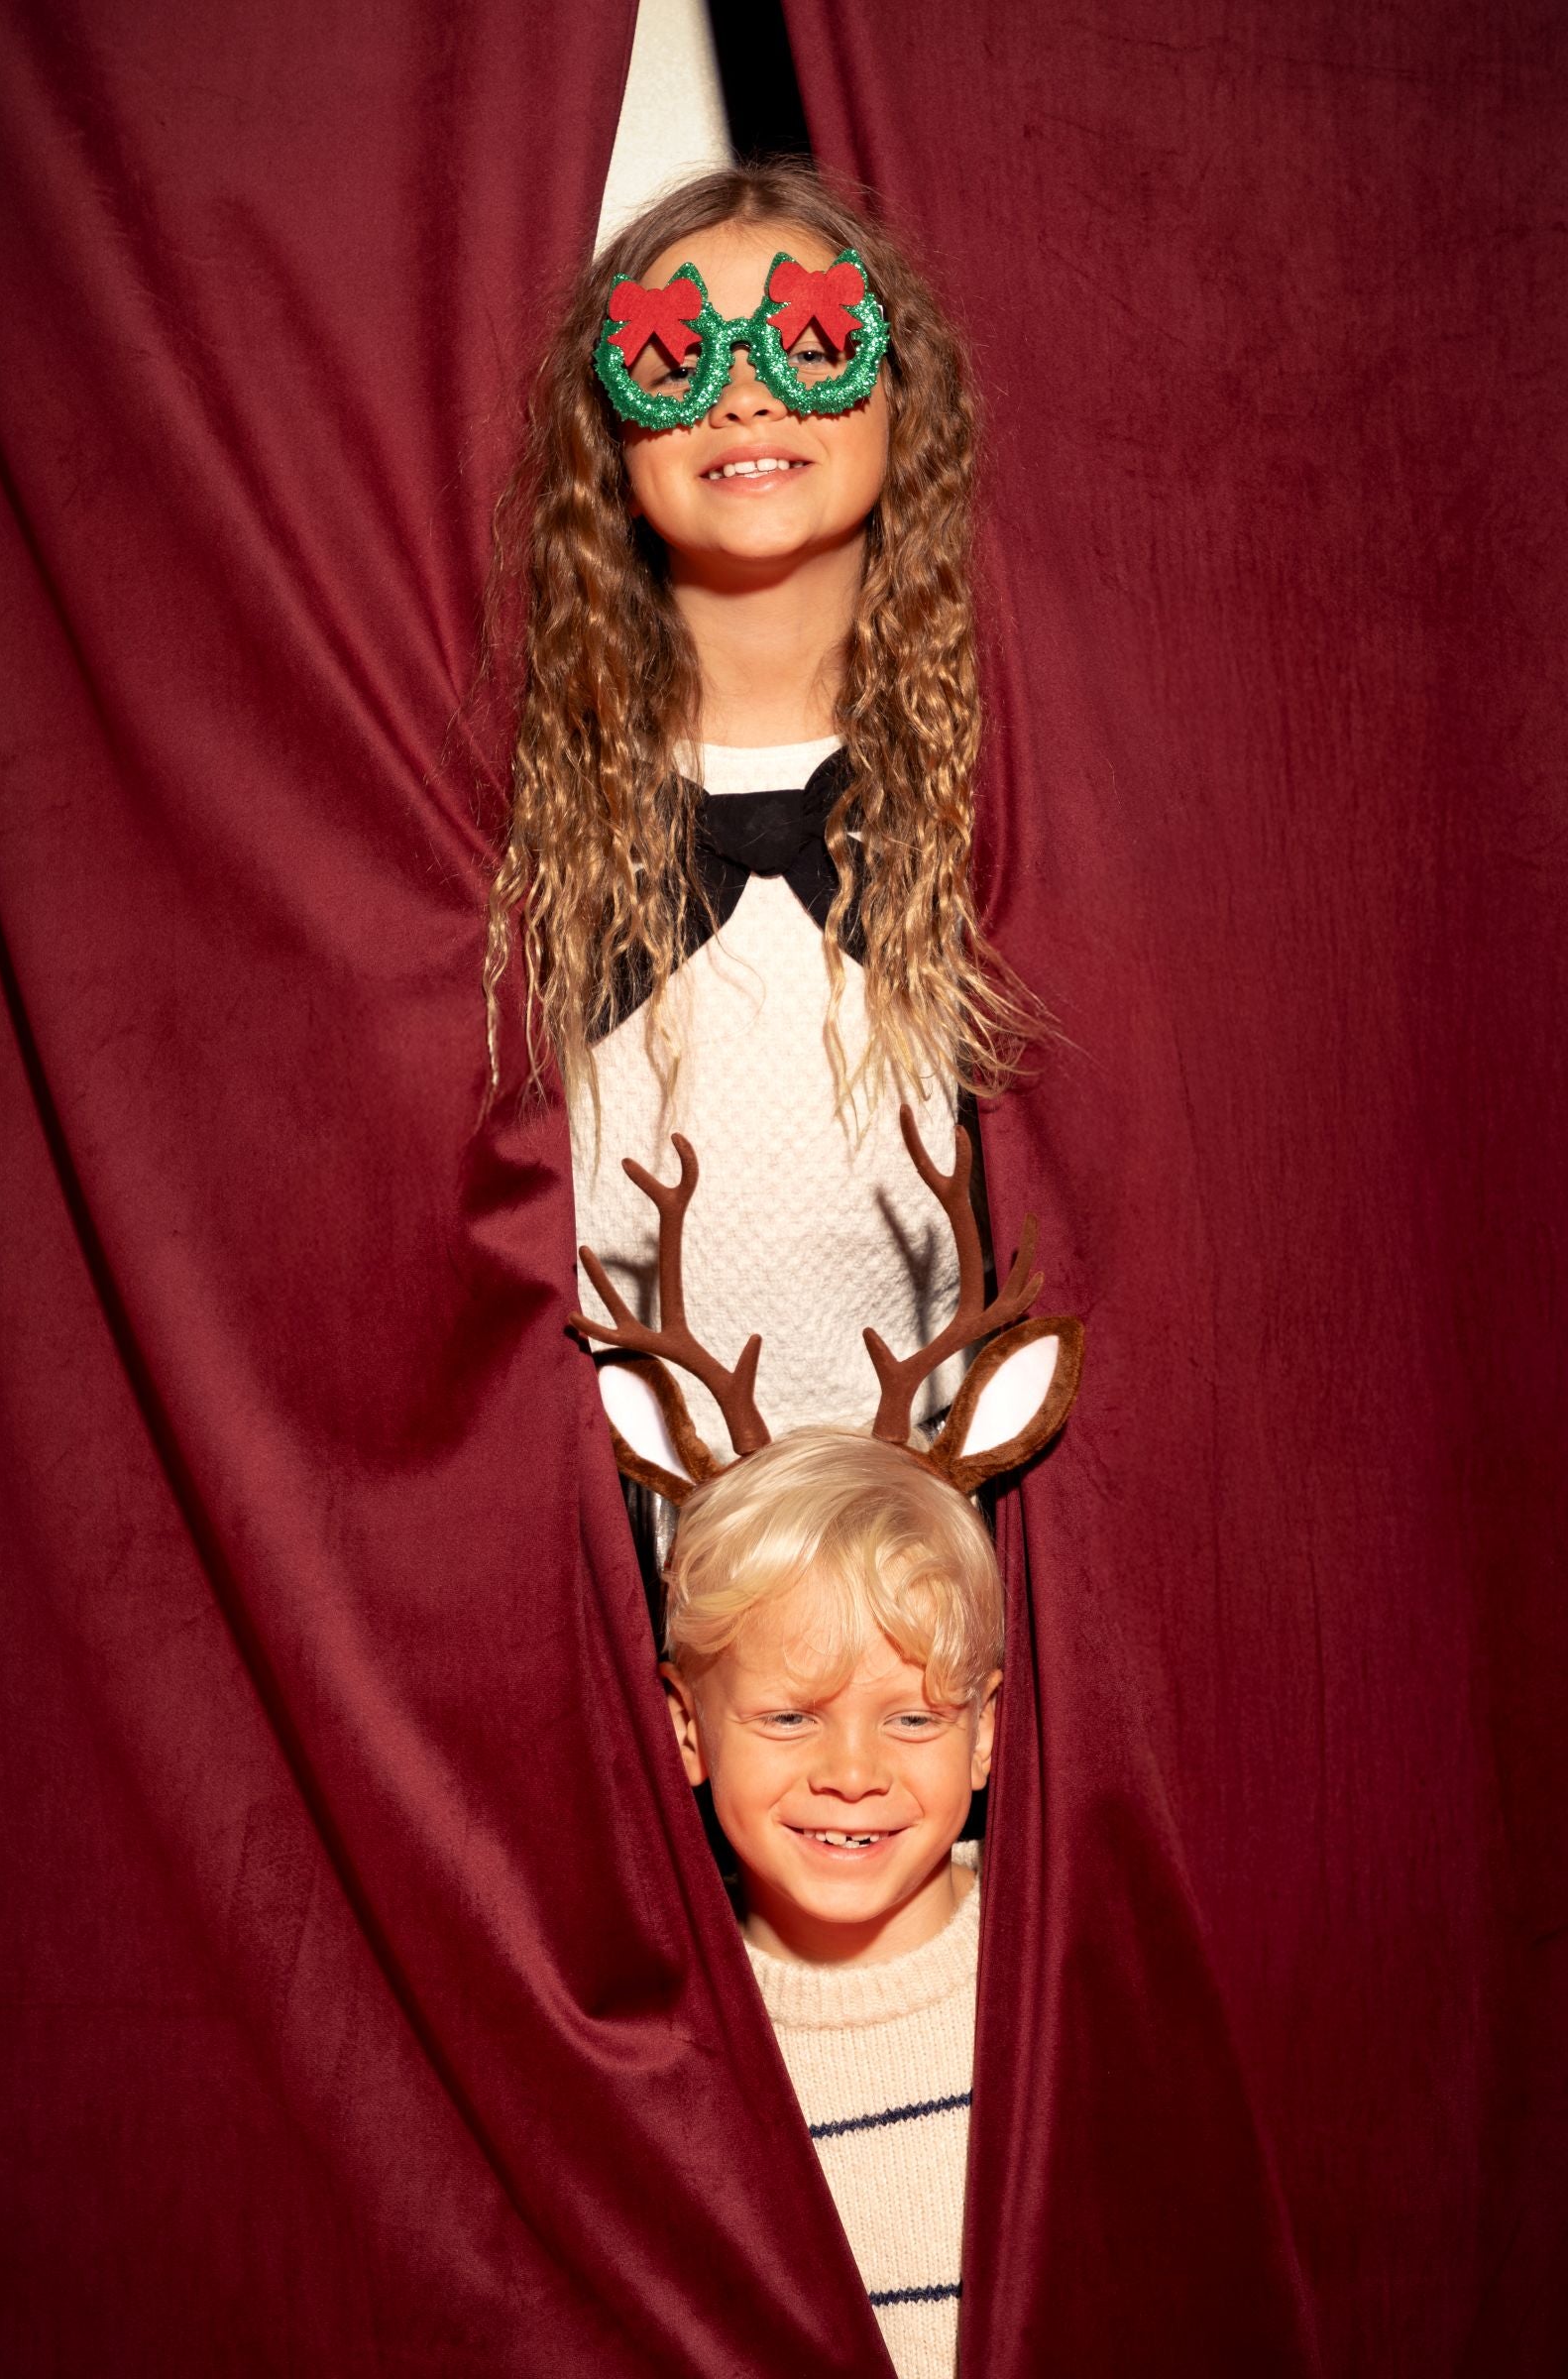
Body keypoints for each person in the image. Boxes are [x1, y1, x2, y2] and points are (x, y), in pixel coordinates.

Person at [481, 163, 1041, 1460]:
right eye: (672, 360)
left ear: (903, 401)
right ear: (607, 451)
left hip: (940, 1547)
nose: (744, 390)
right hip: (622, 1539)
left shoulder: (1015, 807)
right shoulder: (517, 829)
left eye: (809, 342)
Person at [660, 1426, 1003, 2379]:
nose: (852, 1773)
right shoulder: (650, 2036)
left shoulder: (1054, 1976)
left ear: (984, 1732)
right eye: (789, 1717)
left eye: (911, 1718)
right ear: (686, 1728)